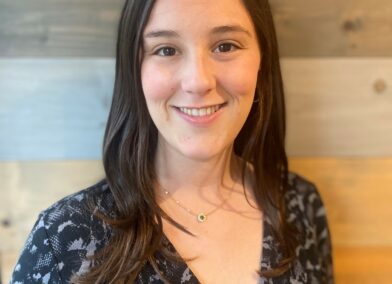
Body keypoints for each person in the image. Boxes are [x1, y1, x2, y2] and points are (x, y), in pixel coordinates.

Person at [11, 0, 333, 283]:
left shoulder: (300, 206)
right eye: (166, 50)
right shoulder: (64, 239)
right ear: (135, 69)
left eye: (225, 46)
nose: (198, 81)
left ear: (262, 59)